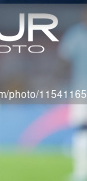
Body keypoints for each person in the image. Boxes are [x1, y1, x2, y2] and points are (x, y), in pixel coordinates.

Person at [58, 10, 87, 181]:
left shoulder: (75, 35)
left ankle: (81, 172)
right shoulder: (75, 34)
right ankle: (81, 171)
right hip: (81, 91)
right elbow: (63, 62)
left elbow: (63, 62)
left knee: (82, 131)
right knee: (81, 131)